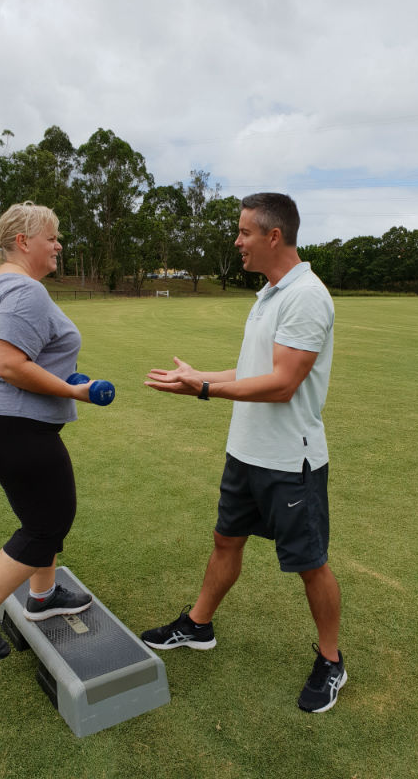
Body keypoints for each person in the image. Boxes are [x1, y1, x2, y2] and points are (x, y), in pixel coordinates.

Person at [141, 192, 346, 713]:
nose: (237, 241)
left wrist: (204, 393)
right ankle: (198, 625)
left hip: (289, 462)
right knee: (225, 540)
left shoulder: (307, 297)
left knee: (310, 563)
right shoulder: (270, 293)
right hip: (246, 453)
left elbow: (281, 385)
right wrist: (197, 376)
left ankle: (331, 660)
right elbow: (250, 371)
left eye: (244, 233)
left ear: (273, 236)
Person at [0, 201, 104, 663]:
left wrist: (62, 378)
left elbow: (19, 357)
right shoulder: (26, 290)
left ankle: (43, 596)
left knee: (42, 513)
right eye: (52, 237)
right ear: (23, 242)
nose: (58, 245)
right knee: (47, 523)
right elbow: (8, 363)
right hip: (10, 425)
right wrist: (75, 392)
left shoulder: (6, 283)